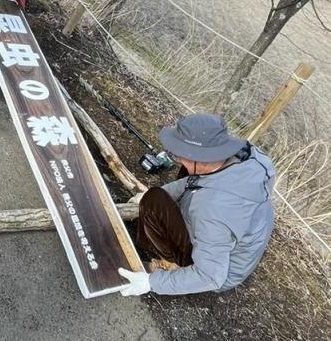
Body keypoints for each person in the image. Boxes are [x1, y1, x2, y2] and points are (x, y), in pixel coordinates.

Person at [118, 113, 276, 297]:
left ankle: (168, 263)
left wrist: (152, 282)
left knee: (153, 202)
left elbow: (210, 276)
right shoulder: (243, 160)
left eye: (180, 154)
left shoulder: (214, 208)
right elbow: (196, 180)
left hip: (216, 271)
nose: (177, 158)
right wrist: (165, 191)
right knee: (165, 188)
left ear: (202, 158)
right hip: (224, 243)